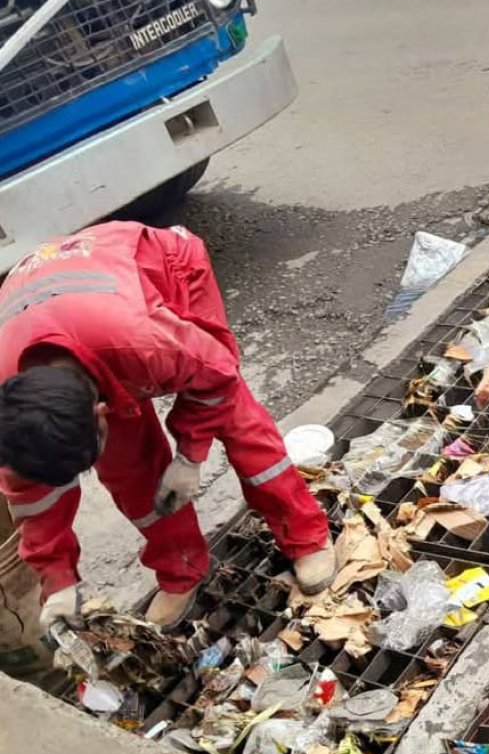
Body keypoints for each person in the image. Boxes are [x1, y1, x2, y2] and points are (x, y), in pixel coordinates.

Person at [0, 222, 336, 631]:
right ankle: (181, 570)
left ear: (102, 412)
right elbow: (31, 498)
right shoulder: (13, 409)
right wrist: (58, 583)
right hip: (61, 301)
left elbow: (217, 375)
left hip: (167, 270)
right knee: (129, 468)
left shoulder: (144, 343)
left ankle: (306, 535)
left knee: (237, 421)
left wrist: (190, 457)